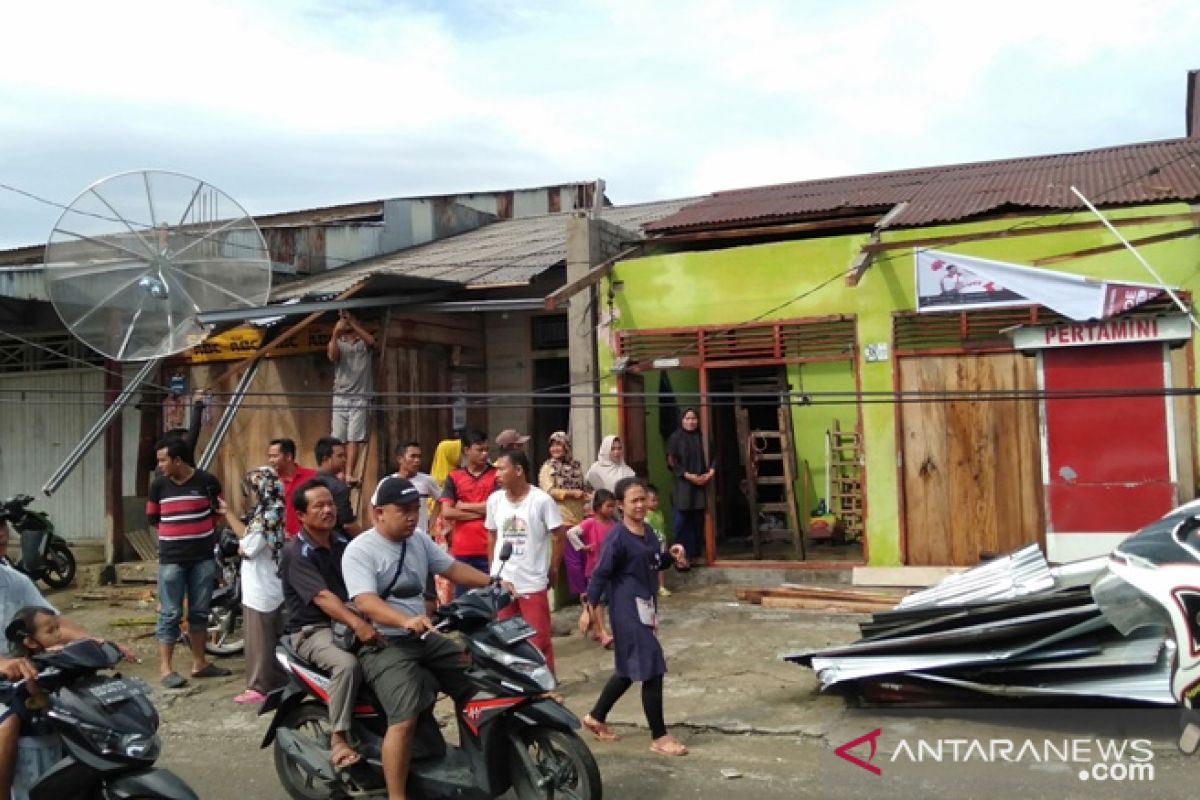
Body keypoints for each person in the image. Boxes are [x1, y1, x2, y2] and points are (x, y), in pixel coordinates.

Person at [342, 477, 504, 800]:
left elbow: (452, 568)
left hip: (424, 636)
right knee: (404, 717)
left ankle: (474, 764)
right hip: (383, 644)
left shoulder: (417, 539)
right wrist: (405, 619)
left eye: (415, 509)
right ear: (378, 513)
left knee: (477, 681)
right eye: (402, 510)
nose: (411, 516)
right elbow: (366, 602)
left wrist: (494, 583)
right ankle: (397, 795)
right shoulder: (359, 551)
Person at [0, 564, 134, 800]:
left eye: (2, 526)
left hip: (22, 672)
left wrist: (95, 644)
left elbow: (55, 622)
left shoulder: (16, 581)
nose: (1, 533)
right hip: (8, 676)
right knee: (8, 723)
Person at [582, 476, 690, 757]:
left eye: (643, 499)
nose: (641, 505)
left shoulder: (648, 532)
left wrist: (673, 556)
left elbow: (654, 561)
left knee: (629, 670)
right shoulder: (616, 538)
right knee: (652, 667)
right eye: (635, 501)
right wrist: (588, 610)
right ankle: (660, 736)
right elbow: (600, 574)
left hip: (646, 607)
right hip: (626, 609)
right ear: (620, 505)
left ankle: (596, 717)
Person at [279, 479, 373, 770]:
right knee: (346, 665)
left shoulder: (344, 543)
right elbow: (323, 598)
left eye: (330, 503)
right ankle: (339, 739)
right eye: (318, 505)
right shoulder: (296, 553)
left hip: (349, 620)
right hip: (313, 630)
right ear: (302, 515)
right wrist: (358, 623)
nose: (328, 510)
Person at [147, 437, 231, 689]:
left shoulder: (207, 482)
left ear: (178, 460)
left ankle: (200, 663)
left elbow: (218, 512)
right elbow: (153, 517)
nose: (160, 465)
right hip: (171, 560)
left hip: (202, 558)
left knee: (199, 612)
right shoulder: (158, 486)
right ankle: (166, 669)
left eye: (163, 460)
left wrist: (198, 532)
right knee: (170, 613)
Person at [485, 450, 566, 674]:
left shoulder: (541, 500)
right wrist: (494, 573)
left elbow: (559, 535)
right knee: (506, 637)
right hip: (503, 582)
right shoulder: (494, 501)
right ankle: (515, 683)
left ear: (518, 471)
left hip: (532, 580)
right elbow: (491, 535)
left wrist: (553, 568)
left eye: (502, 469)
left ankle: (545, 685)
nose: (497, 474)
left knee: (538, 639)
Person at [229, 466, 287, 706]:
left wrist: (229, 518)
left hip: (260, 588)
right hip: (270, 582)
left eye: (253, 489)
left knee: (258, 641)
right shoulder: (275, 511)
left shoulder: (266, 517)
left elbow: (247, 548)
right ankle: (277, 681)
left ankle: (258, 686)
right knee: (271, 637)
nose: (250, 494)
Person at [439, 429, 498, 597]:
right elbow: (447, 512)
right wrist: (482, 512)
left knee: (491, 600)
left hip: (490, 548)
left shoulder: (496, 475)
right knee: (464, 603)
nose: (485, 454)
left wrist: (463, 506)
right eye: (480, 450)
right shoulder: (454, 477)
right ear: (466, 450)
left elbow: (496, 508)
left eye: (487, 449)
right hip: (463, 550)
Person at [327, 310, 377, 480]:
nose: (345, 322)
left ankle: (349, 473)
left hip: (360, 396)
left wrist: (353, 323)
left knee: (353, 438)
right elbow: (332, 356)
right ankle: (339, 471)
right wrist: (335, 333)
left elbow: (372, 341)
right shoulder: (338, 341)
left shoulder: (363, 342)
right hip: (340, 395)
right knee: (338, 438)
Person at [665, 408, 712, 561]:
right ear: (682, 420)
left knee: (697, 522)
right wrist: (687, 475)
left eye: (694, 419)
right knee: (681, 522)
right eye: (687, 418)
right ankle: (680, 557)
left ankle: (693, 555)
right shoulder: (675, 438)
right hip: (683, 487)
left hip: (701, 486)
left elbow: (714, 454)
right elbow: (671, 461)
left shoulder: (702, 437)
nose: (691, 422)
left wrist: (711, 472)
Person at [574, 489, 617, 647]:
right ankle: (602, 631)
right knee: (597, 600)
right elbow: (572, 533)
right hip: (595, 568)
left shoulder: (614, 524)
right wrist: (583, 547)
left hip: (611, 569)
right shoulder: (590, 522)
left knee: (610, 599)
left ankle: (602, 630)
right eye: (608, 506)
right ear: (598, 507)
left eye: (613, 506)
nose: (611, 510)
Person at [538, 431, 589, 531]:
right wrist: (570, 493)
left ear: (566, 446)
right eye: (552, 446)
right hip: (559, 518)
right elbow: (548, 492)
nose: (554, 449)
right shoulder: (548, 467)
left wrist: (586, 496)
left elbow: (581, 487)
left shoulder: (575, 466)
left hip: (578, 517)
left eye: (558, 445)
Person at [268, 438, 318, 537]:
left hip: (310, 539)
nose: (271, 460)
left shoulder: (312, 476)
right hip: (283, 540)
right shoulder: (270, 483)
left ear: (288, 456)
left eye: (274, 456)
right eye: (269, 457)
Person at [315, 436, 362, 537]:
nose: (344, 460)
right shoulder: (338, 487)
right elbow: (348, 525)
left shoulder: (310, 483)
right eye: (340, 456)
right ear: (326, 459)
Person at [645, 485, 672, 598]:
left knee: (661, 566)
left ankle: (661, 586)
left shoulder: (659, 513)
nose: (656, 503)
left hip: (661, 543)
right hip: (650, 545)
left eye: (657, 500)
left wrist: (665, 543)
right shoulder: (645, 515)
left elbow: (662, 528)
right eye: (653, 500)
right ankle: (650, 586)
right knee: (649, 566)